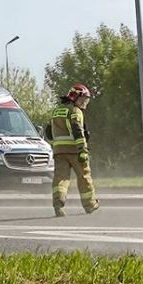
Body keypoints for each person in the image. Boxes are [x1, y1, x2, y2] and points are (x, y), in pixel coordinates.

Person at [48, 83, 99, 217]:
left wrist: (57, 145)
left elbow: (49, 132)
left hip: (59, 152)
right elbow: (77, 130)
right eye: (83, 100)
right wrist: (82, 150)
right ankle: (90, 205)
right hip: (75, 151)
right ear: (76, 98)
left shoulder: (56, 110)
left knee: (60, 179)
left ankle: (58, 204)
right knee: (84, 176)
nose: (84, 103)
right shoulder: (75, 111)